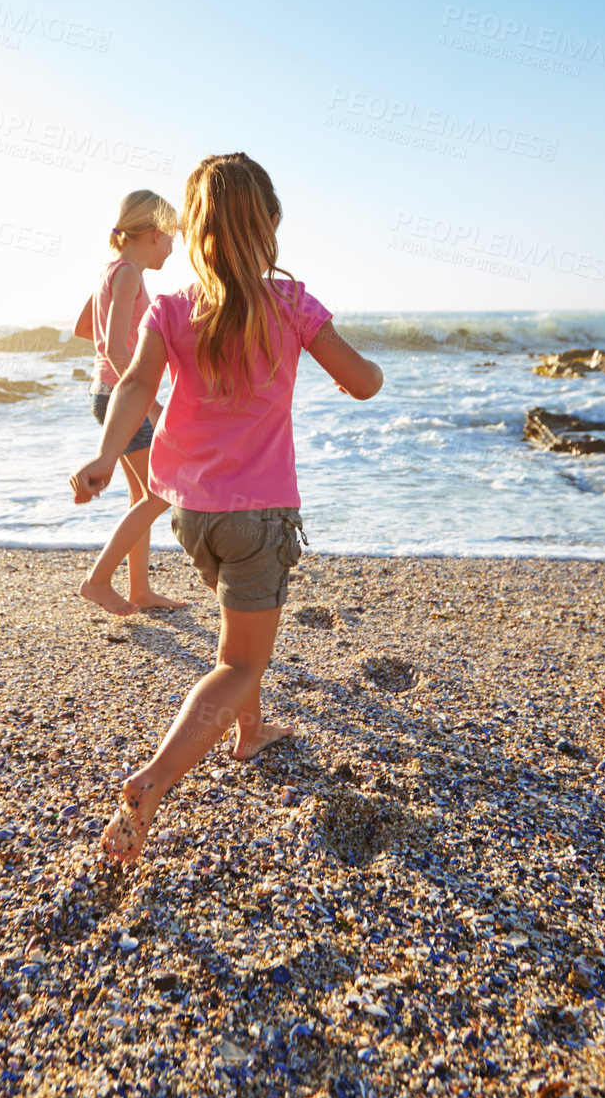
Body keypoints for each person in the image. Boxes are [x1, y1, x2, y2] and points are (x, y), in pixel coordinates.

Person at [70, 153, 384, 862]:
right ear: (270, 224)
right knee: (240, 661)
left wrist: (103, 455)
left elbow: (131, 387)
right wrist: (368, 373)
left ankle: (250, 731)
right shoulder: (294, 304)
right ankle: (155, 779)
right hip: (261, 519)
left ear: (196, 232)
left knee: (240, 637)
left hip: (193, 519)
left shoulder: (173, 308)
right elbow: (363, 381)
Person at [71, 189, 186, 615]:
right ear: (155, 234)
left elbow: (87, 328)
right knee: (161, 494)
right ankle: (98, 580)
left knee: (142, 495)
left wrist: (115, 344)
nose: (173, 248)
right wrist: (151, 405)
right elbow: (119, 349)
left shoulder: (113, 271)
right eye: (171, 238)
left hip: (103, 390)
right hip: (121, 394)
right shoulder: (130, 276)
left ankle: (140, 590)